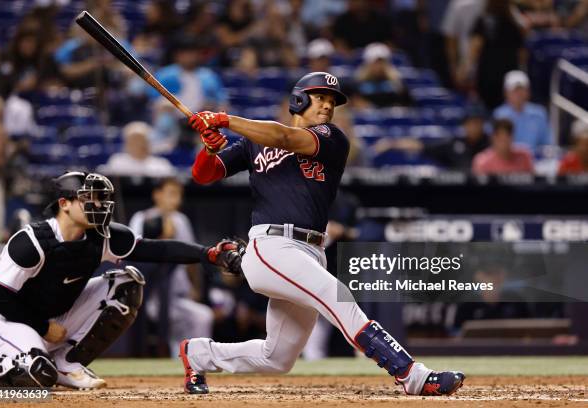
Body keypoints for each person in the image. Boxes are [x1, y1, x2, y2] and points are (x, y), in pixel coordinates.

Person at [179, 71, 465, 396]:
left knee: (277, 358)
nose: (328, 105)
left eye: (332, 100)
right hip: (272, 246)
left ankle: (199, 354)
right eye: (320, 98)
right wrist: (209, 147)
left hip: (312, 250)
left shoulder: (331, 138)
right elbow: (204, 175)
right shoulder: (253, 142)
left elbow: (285, 138)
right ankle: (413, 376)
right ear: (298, 100)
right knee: (338, 298)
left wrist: (223, 120)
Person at [0, 172, 244, 389]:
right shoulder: (31, 242)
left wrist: (207, 254)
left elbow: (155, 249)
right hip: (3, 320)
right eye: (88, 199)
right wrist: (43, 327)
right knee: (37, 373)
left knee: (127, 284)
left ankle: (66, 362)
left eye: (100, 199)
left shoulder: (101, 236)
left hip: (52, 318)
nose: (98, 205)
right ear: (64, 204)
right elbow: (0, 300)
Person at [129, 178, 214, 358]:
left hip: (177, 295)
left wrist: (195, 288)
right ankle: (179, 358)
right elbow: (133, 254)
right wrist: (162, 237)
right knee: (172, 326)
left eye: (178, 195)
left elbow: (193, 257)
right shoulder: (142, 218)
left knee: (202, 316)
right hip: (150, 296)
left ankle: (197, 363)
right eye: (171, 194)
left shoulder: (181, 220)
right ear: (157, 195)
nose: (176, 200)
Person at [375, 105, 490, 172]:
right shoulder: (454, 144)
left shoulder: (491, 144)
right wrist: (392, 144)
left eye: (477, 123)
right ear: (465, 125)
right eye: (471, 123)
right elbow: (420, 146)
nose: (474, 127)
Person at [493, 70, 552, 154]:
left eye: (522, 89)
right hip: (508, 160)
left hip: (535, 161)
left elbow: (547, 143)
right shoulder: (499, 115)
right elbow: (496, 145)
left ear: (528, 92)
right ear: (506, 93)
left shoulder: (539, 113)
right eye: (515, 90)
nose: (519, 94)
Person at [101, 121, 176, 177]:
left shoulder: (161, 165)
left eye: (142, 140)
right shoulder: (116, 162)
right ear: (126, 143)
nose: (139, 144)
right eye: (134, 140)